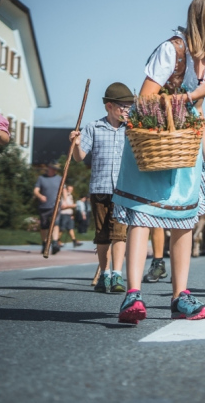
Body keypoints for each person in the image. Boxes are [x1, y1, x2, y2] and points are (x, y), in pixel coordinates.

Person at [112, 0, 205, 324]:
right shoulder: (172, 50)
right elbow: (144, 103)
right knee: (141, 215)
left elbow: (198, 115)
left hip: (184, 148)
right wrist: (195, 93)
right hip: (153, 144)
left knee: (185, 220)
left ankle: (181, 295)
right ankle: (133, 296)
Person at [69, 82, 134, 293]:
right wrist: (76, 144)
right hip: (100, 188)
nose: (126, 110)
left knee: (119, 234)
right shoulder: (93, 127)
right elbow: (79, 158)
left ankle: (117, 275)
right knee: (102, 235)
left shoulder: (132, 130)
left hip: (123, 190)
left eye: (129, 106)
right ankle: (104, 274)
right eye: (122, 106)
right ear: (108, 106)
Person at [33, 162, 62, 254]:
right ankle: (44, 243)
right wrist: (40, 196)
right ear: (49, 168)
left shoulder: (59, 178)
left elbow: (63, 190)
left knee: (55, 223)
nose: (54, 170)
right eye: (52, 168)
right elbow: (36, 190)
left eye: (55, 169)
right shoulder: (41, 178)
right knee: (44, 226)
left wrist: (65, 200)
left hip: (55, 206)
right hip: (44, 206)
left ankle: (54, 243)